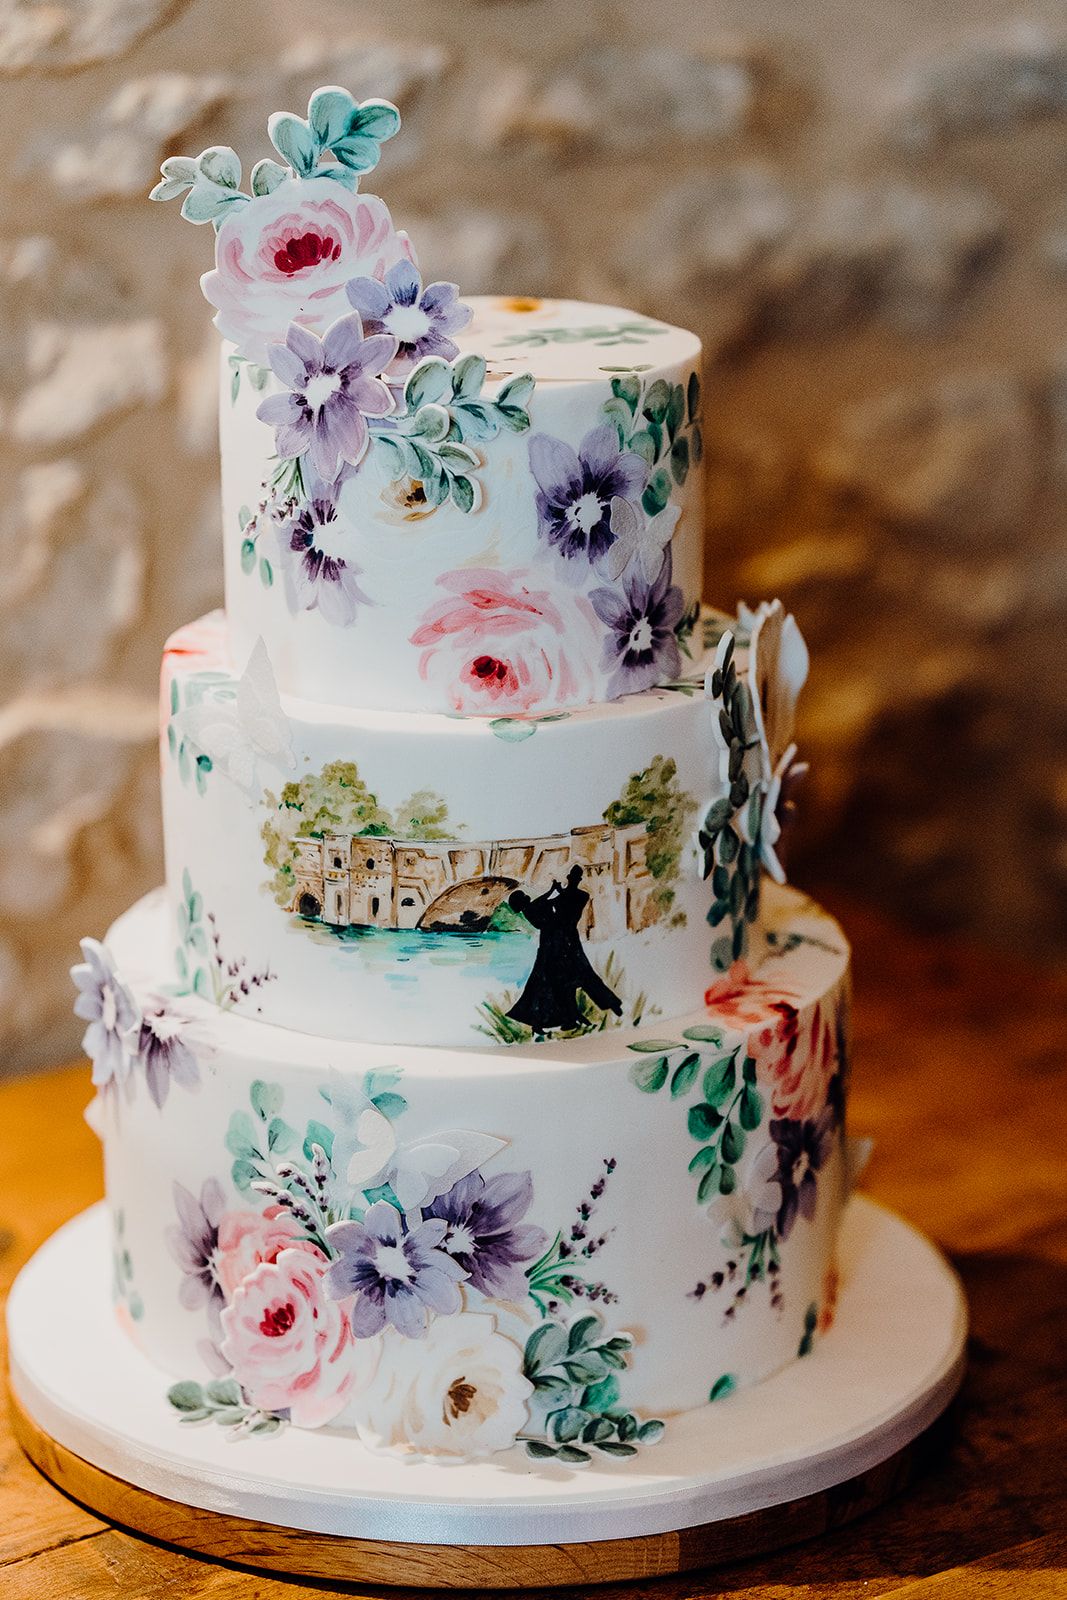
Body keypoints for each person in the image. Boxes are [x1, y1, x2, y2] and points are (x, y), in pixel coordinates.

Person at [506, 865, 623, 1033]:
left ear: (569, 878)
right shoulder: (576, 897)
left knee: (568, 981)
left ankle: (572, 1017)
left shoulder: (557, 901)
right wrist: (553, 891)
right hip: (561, 946)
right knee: (574, 980)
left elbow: (548, 905)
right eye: (525, 897)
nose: (527, 898)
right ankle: (575, 1017)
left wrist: (554, 891)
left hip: (557, 947)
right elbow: (546, 905)